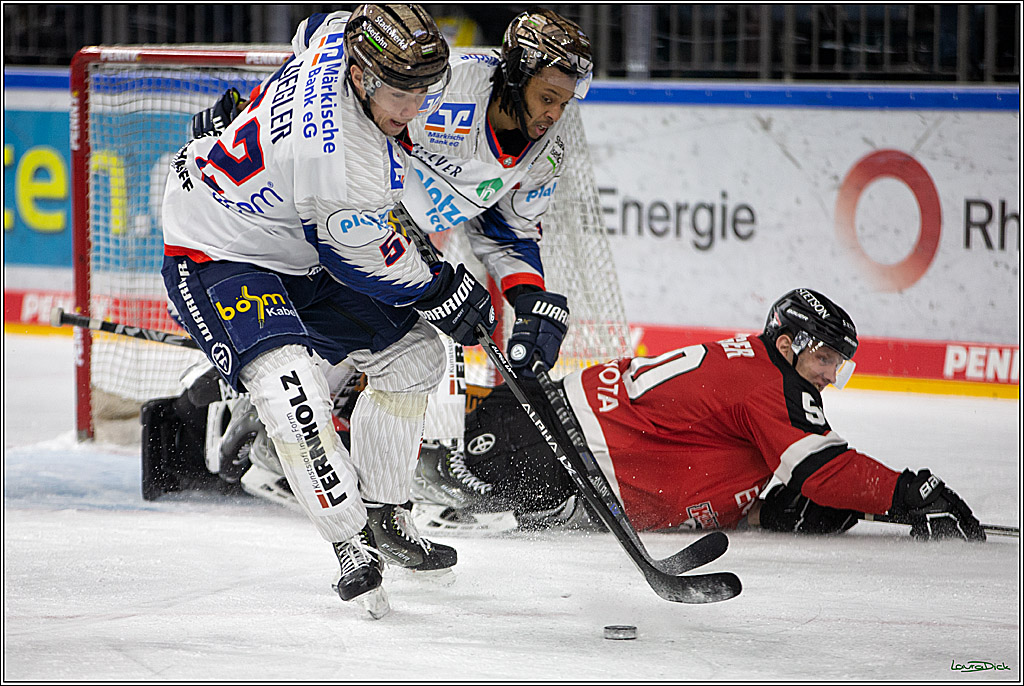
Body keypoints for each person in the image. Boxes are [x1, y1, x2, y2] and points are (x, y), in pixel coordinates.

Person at [157, 5, 498, 618]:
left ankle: (388, 515)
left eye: (423, 89)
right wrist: (442, 289)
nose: (415, 106)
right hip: (216, 246)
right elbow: (358, 262)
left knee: (414, 356)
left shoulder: (345, 33)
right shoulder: (341, 157)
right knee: (293, 385)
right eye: (402, 92)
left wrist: (258, 114)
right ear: (365, 79)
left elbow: (313, 24)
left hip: (292, 242)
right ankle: (351, 542)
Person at [413, 288, 988, 542]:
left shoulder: (757, 367)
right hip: (548, 446)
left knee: (451, 469)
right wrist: (910, 493)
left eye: (839, 364)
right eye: (824, 357)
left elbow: (704, 465)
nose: (828, 374)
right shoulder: (770, 384)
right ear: (788, 344)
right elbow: (825, 471)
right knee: (426, 477)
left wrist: (768, 510)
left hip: (545, 426)